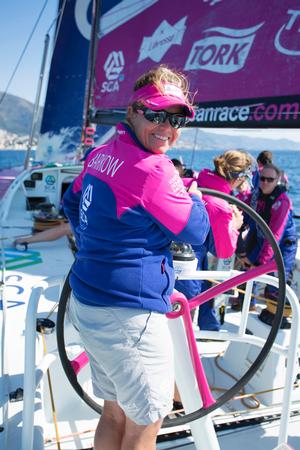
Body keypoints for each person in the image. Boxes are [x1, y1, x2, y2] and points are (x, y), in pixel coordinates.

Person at [63, 65, 210, 450]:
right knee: (147, 420)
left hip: (89, 302)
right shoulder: (155, 169)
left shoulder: (100, 154)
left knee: (114, 412)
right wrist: (192, 197)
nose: (167, 127)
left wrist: (99, 241)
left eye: (176, 118)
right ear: (133, 109)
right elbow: (197, 231)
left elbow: (72, 201)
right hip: (130, 317)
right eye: (156, 114)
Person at [175, 150, 251, 331]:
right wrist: (235, 225)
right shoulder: (220, 205)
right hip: (185, 272)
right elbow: (223, 251)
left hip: (165, 262)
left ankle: (210, 326)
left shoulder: (191, 183)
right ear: (239, 177)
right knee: (178, 329)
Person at [237, 163, 297, 326]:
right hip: (261, 238)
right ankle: (247, 305)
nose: (264, 182)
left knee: (277, 282)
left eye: (269, 180)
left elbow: (275, 235)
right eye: (262, 178)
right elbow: (243, 210)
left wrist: (260, 264)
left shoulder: (282, 202)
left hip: (282, 245)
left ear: (277, 181)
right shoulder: (256, 195)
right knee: (246, 271)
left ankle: (277, 317)